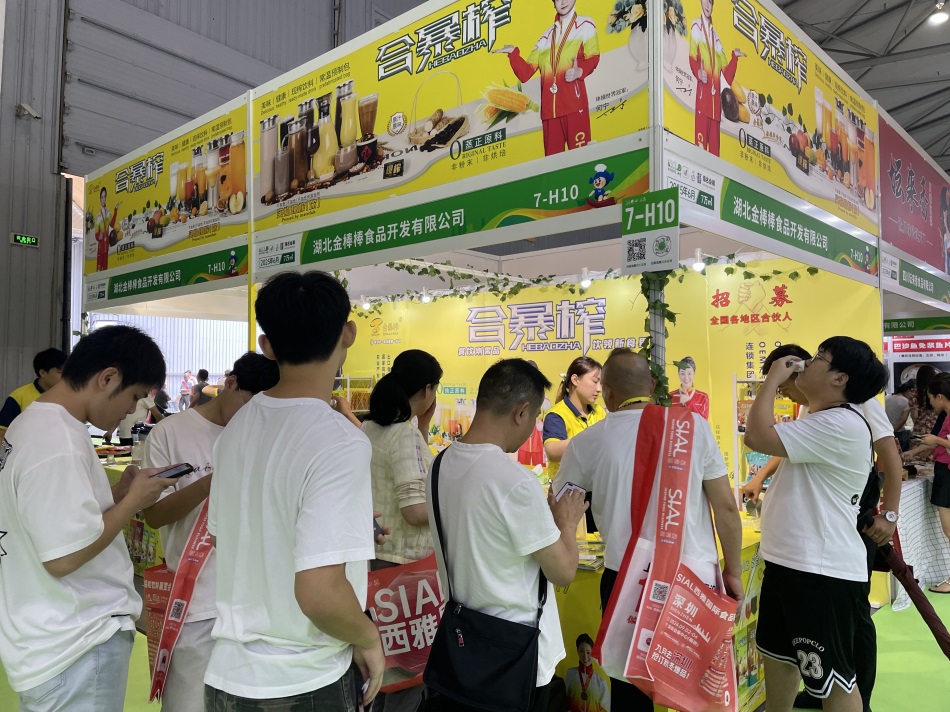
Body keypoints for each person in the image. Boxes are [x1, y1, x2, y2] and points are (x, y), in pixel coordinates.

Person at [205, 271, 384, 711]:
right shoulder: (340, 440)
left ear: (267, 346)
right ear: (348, 333)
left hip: (228, 676)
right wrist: (368, 636)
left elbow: (226, 538)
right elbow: (319, 593)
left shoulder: (236, 429)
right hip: (302, 680)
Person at [553, 348, 742, 711]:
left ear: (608, 393)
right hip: (693, 581)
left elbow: (560, 505)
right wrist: (732, 571)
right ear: (653, 386)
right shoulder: (693, 427)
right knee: (697, 686)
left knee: (631, 688)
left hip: (626, 580)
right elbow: (726, 508)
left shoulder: (586, 442)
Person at [0, 325, 172, 711]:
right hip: (76, 641)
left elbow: (53, 517)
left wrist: (117, 495)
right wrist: (133, 502)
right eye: (133, 396)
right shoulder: (57, 441)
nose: (132, 409)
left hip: (48, 635)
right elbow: (63, 557)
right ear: (107, 378)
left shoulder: (36, 423)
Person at [743, 344, 903, 712]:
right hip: (792, 563)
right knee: (781, 657)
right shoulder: (820, 416)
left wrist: (770, 382)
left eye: (819, 358)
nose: (807, 364)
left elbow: (756, 435)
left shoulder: (843, 421)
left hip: (820, 572)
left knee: (834, 679)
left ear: (840, 378)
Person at [424, 358, 587, 712]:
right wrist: (566, 522)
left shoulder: (439, 465)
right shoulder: (513, 481)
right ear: (521, 412)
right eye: (534, 419)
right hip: (516, 654)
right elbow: (563, 571)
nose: (532, 431)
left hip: (463, 646)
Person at [141, 352, 280, 712]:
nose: (252, 418)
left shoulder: (266, 433)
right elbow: (154, 515)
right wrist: (212, 483)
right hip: (196, 603)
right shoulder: (170, 432)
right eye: (248, 405)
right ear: (230, 383)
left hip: (258, 604)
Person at [363, 349, 441, 568]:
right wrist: (453, 504)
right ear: (427, 389)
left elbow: (413, 468)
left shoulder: (369, 427)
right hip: (401, 560)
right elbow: (414, 512)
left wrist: (423, 425)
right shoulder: (405, 434)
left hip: (377, 550)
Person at [494, 0, 600, 155]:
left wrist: (580, 71)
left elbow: (593, 56)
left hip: (574, 106)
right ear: (553, 3)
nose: (563, 1)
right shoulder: (545, 37)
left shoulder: (585, 25)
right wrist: (513, 54)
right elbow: (525, 73)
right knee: (553, 164)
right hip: (550, 114)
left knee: (581, 159)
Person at [544, 356, 604, 531]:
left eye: (601, 383)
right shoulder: (557, 415)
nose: (599, 389)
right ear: (575, 380)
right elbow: (552, 451)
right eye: (595, 381)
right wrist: (589, 438)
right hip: (567, 495)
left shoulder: (599, 412)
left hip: (597, 493)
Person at [689, 0, 745, 156]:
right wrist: (698, 72)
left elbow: (727, 74)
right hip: (703, 101)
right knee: (699, 152)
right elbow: (692, 56)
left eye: (711, 3)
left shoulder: (717, 38)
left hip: (716, 109)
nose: (708, 5)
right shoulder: (696, 26)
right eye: (706, 1)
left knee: (715, 157)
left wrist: (734, 58)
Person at [916, 373, 950, 594]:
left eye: (930, 397)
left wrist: (936, 440)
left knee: (949, 529)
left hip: (947, 474)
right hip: (944, 471)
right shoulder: (946, 416)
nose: (930, 402)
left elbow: (943, 443)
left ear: (939, 396)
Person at [0, 347, 67, 432]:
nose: (65, 376)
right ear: (43, 373)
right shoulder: (19, 397)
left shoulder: (69, 397)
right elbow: (2, 432)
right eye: (60, 372)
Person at [564, 634, 609, 712]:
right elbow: (565, 702)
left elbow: (606, 709)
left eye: (588, 652)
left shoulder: (601, 682)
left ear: (593, 653)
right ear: (577, 651)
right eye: (581, 651)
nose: (585, 657)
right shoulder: (570, 674)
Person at [669, 355, 710, 419]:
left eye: (689, 373)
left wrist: (688, 402)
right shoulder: (670, 396)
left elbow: (703, 422)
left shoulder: (703, 397)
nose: (686, 377)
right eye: (682, 373)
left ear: (694, 373)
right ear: (678, 374)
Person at [95, 186, 121, 273]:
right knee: (99, 271)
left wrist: (115, 210)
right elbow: (96, 234)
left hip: (106, 246)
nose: (103, 199)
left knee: (105, 270)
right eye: (102, 197)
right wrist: (99, 236)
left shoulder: (108, 212)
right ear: (100, 199)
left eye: (104, 197)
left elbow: (112, 224)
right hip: (101, 247)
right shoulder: (98, 216)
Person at [885, 380, 913, 451]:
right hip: (899, 432)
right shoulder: (906, 402)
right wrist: (895, 430)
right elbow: (904, 419)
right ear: (908, 391)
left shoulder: (887, 397)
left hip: (886, 430)